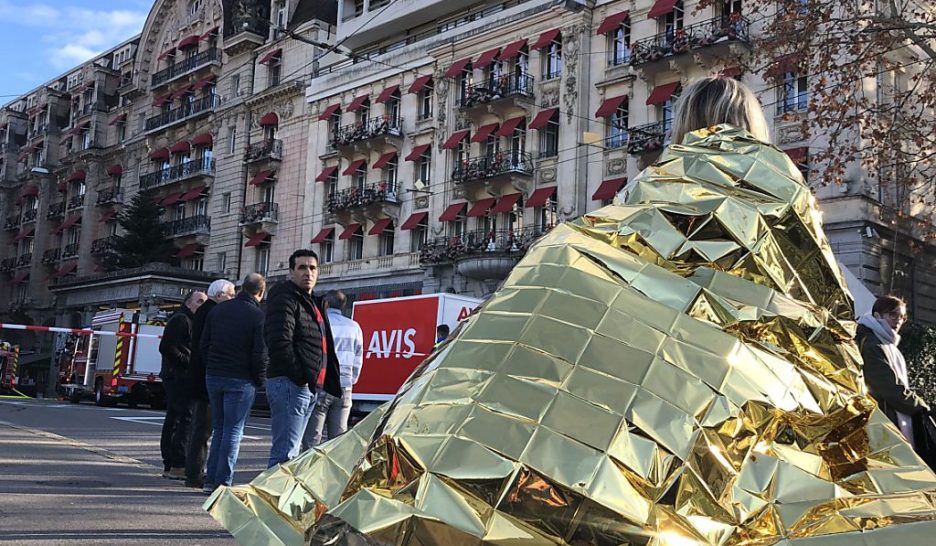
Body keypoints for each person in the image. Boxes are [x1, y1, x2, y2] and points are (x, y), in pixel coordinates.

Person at [265, 249, 342, 467]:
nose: (308, 272)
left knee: (292, 451)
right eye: (302, 267)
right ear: (291, 271)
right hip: (291, 383)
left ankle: (279, 498)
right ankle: (273, 499)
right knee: (285, 454)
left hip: (306, 386)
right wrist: (300, 377)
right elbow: (279, 342)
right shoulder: (285, 297)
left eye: (312, 268)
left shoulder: (310, 301)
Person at [201, 273, 268, 494]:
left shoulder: (217, 310)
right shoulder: (257, 315)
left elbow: (204, 344)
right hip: (241, 378)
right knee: (233, 430)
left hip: (214, 374)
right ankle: (223, 482)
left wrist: (210, 366)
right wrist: (259, 379)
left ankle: (210, 479)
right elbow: (260, 353)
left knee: (219, 428)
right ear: (260, 291)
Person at [857, 295, 936, 455]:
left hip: (885, 420)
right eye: (893, 314)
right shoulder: (872, 344)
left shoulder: (886, 343)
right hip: (880, 423)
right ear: (877, 315)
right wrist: (919, 405)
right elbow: (889, 388)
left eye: (902, 317)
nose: (898, 320)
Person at [184, 278, 236, 489]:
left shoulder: (205, 312)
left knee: (201, 428)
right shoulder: (212, 313)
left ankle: (194, 471)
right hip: (206, 377)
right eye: (231, 295)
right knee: (203, 429)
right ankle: (195, 473)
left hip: (201, 376)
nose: (232, 299)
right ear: (220, 295)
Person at [302, 290, 363, 449]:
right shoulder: (354, 326)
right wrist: (350, 380)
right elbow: (358, 359)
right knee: (338, 441)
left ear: (326, 304)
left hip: (323, 384)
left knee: (313, 439)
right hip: (345, 387)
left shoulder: (320, 323)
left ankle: (310, 471)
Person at [158, 289, 206, 479]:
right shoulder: (181, 320)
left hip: (182, 375)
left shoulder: (193, 321)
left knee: (180, 417)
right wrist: (188, 362)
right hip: (178, 376)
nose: (203, 305)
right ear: (188, 303)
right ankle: (176, 463)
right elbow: (166, 347)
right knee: (181, 418)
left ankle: (174, 463)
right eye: (199, 301)